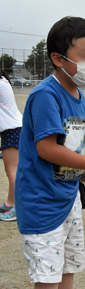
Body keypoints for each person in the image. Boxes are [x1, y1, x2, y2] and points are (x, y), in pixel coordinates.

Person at [15, 16, 85, 289]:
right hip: (41, 201)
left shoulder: (81, 99)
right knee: (47, 277)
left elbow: (66, 148)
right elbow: (46, 149)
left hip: (67, 198)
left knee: (68, 268)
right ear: (57, 58)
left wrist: (82, 171)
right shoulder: (45, 96)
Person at [0, 70, 22, 221]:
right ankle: (10, 203)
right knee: (12, 171)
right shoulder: (3, 80)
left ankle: (16, 207)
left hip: (11, 130)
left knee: (13, 171)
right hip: (14, 128)